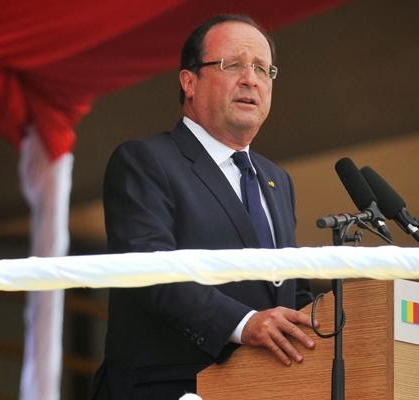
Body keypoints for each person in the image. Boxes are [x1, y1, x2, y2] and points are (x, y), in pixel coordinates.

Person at [90, 14, 316, 400]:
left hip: (265, 389)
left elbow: (287, 292)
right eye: (234, 64)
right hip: (171, 388)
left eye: (263, 69)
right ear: (189, 82)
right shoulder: (145, 161)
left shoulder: (277, 180)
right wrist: (244, 323)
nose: (251, 79)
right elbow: (151, 271)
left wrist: (338, 318)